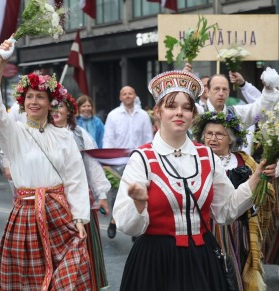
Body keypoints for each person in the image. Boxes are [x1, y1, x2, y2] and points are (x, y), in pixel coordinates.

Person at [112, 70, 276, 291]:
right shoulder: (142, 159)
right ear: (158, 112)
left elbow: (225, 210)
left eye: (186, 107)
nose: (179, 112)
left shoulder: (206, 156)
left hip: (202, 259)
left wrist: (254, 180)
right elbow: (126, 224)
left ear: (193, 114)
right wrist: (140, 204)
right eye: (171, 106)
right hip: (155, 264)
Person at [0, 38, 92, 290]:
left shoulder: (64, 136)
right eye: (30, 97)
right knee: (28, 282)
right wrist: (0, 63)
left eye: (40, 97)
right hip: (26, 214)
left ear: (50, 102)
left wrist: (80, 218)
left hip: (59, 214)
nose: (34, 101)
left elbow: (76, 178)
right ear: (23, 102)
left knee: (68, 277)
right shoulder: (14, 132)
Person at [192, 111, 276, 291]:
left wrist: (266, 179)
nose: (213, 138)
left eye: (219, 134)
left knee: (235, 275)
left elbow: (265, 193)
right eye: (209, 134)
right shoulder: (195, 161)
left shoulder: (244, 161)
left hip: (238, 230)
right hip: (205, 228)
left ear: (230, 139)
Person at [51, 93, 110, 291]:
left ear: (69, 110)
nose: (56, 110)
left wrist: (101, 195)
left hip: (80, 201)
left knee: (84, 252)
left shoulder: (80, 135)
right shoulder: (42, 133)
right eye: (52, 106)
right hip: (52, 203)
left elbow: (92, 165)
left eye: (60, 106)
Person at [103, 85, 153, 239]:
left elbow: (148, 138)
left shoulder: (143, 115)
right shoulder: (113, 115)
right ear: (120, 97)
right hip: (118, 160)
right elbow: (108, 138)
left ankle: (135, 224)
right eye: (124, 94)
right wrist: (107, 160)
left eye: (130, 93)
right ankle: (114, 220)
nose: (127, 96)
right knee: (115, 193)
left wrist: (149, 158)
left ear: (135, 95)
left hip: (137, 160)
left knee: (137, 190)